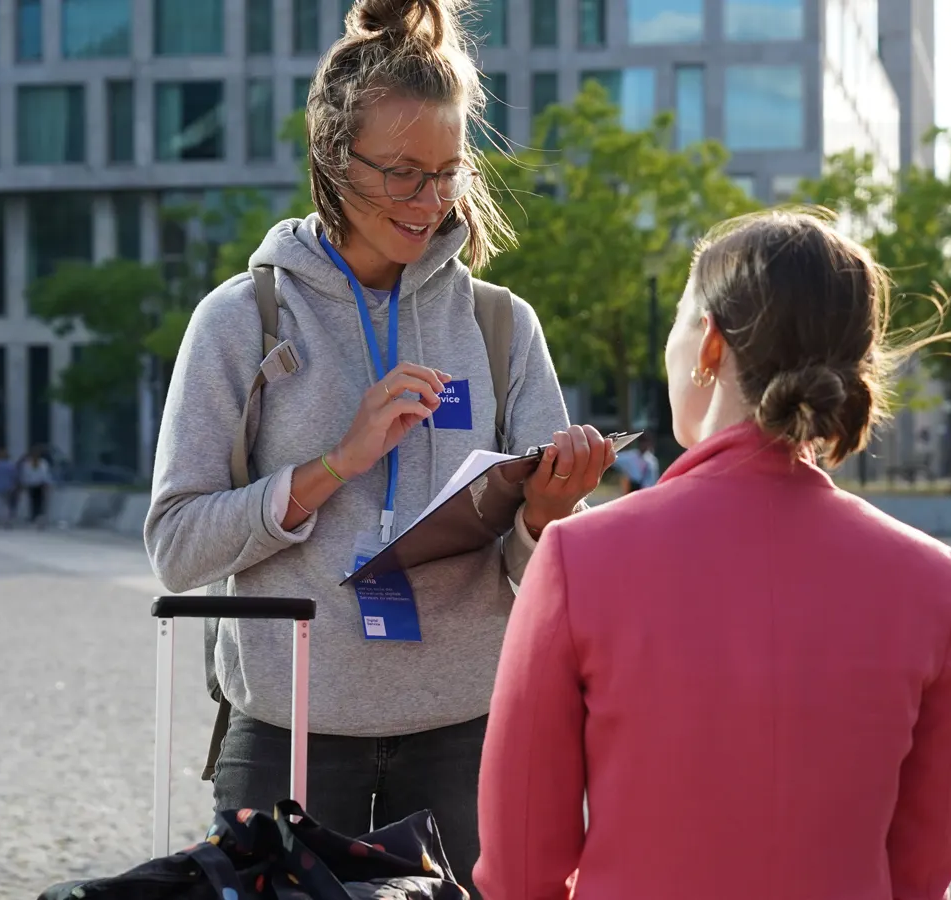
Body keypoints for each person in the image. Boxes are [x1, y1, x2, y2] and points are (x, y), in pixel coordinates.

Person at [143, 0, 612, 883]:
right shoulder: (240, 322)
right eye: (402, 173)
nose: (432, 203)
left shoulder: (502, 324)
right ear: (331, 158)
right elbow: (174, 548)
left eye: (448, 173)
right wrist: (334, 465)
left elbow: (547, 580)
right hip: (287, 734)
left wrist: (547, 518)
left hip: (467, 730)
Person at [473, 210, 951, 900]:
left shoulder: (578, 556)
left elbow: (521, 867)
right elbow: (921, 872)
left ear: (708, 344)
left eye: (680, 325)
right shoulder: (931, 580)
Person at [19, 446, 53, 529]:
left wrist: (47, 484)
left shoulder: (43, 463)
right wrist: (24, 484)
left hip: (40, 485)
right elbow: (25, 475)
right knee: (33, 502)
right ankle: (35, 517)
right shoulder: (27, 464)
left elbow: (45, 475)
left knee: (40, 502)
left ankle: (39, 518)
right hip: (32, 485)